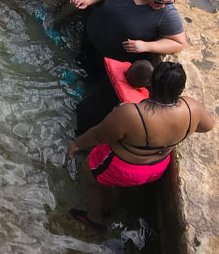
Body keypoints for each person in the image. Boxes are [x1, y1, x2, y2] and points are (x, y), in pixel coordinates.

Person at [67, 62, 214, 232]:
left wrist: (76, 144)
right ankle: (109, 207)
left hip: (122, 166)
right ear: (180, 90)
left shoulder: (131, 113)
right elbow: (207, 126)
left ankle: (94, 219)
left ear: (150, 83)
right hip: (156, 168)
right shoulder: (191, 107)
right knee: (117, 184)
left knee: (91, 179)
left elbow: (98, 135)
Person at [72, 0, 184, 66]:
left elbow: (178, 42)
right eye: (159, 1)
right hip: (91, 34)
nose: (163, 5)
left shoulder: (167, 14)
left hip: (112, 59)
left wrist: (146, 46)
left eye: (168, 1)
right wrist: (87, 0)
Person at [75, 59, 151, 137]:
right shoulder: (127, 104)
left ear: (128, 68)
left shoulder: (112, 76)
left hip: (83, 106)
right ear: (145, 85)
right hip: (93, 123)